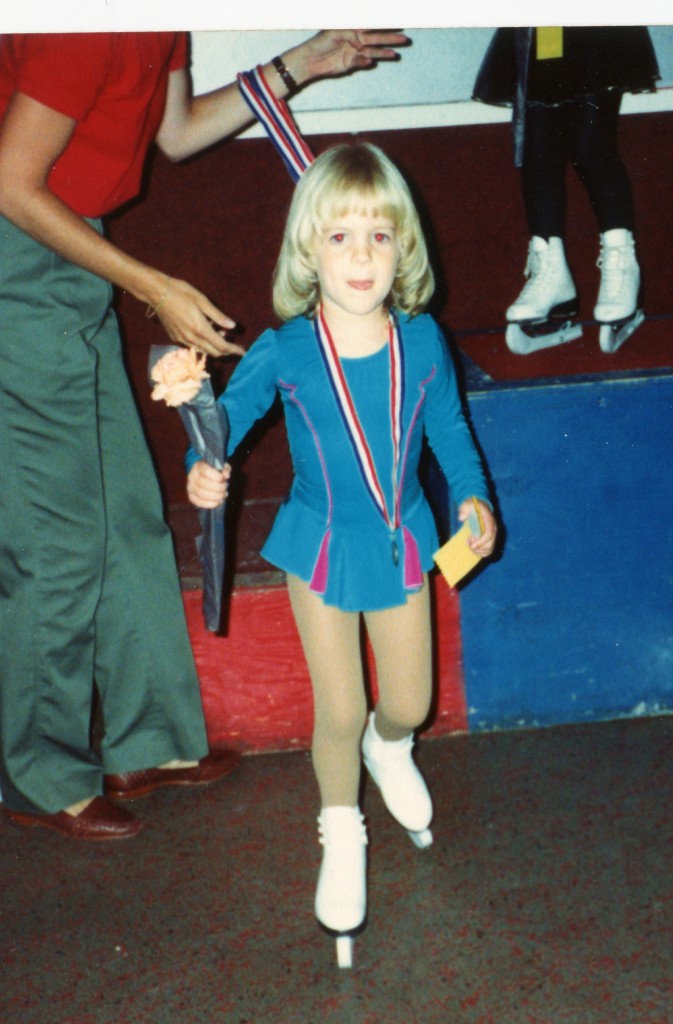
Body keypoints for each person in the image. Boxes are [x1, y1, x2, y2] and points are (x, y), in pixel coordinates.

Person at [0, 29, 410, 841]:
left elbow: (177, 134)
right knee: (61, 536)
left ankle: (146, 741)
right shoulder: (82, 26)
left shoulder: (162, 23)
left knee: (130, 518)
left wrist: (302, 65)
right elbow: (12, 184)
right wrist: (152, 285)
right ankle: (35, 773)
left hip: (74, 256)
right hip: (21, 256)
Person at [187, 142, 498, 966]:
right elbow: (222, 425)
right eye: (339, 236)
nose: (360, 255)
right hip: (319, 544)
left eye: (378, 235)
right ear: (305, 251)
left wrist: (472, 497)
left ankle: (387, 749)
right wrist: (201, 470)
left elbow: (451, 434)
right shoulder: (289, 349)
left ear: (404, 249)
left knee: (406, 702)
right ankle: (341, 830)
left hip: (400, 542)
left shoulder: (423, 341)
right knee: (337, 707)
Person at [473, 27, 660, 352]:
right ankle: (551, 270)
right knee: (538, 146)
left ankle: (622, 264)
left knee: (592, 145)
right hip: (546, 23)